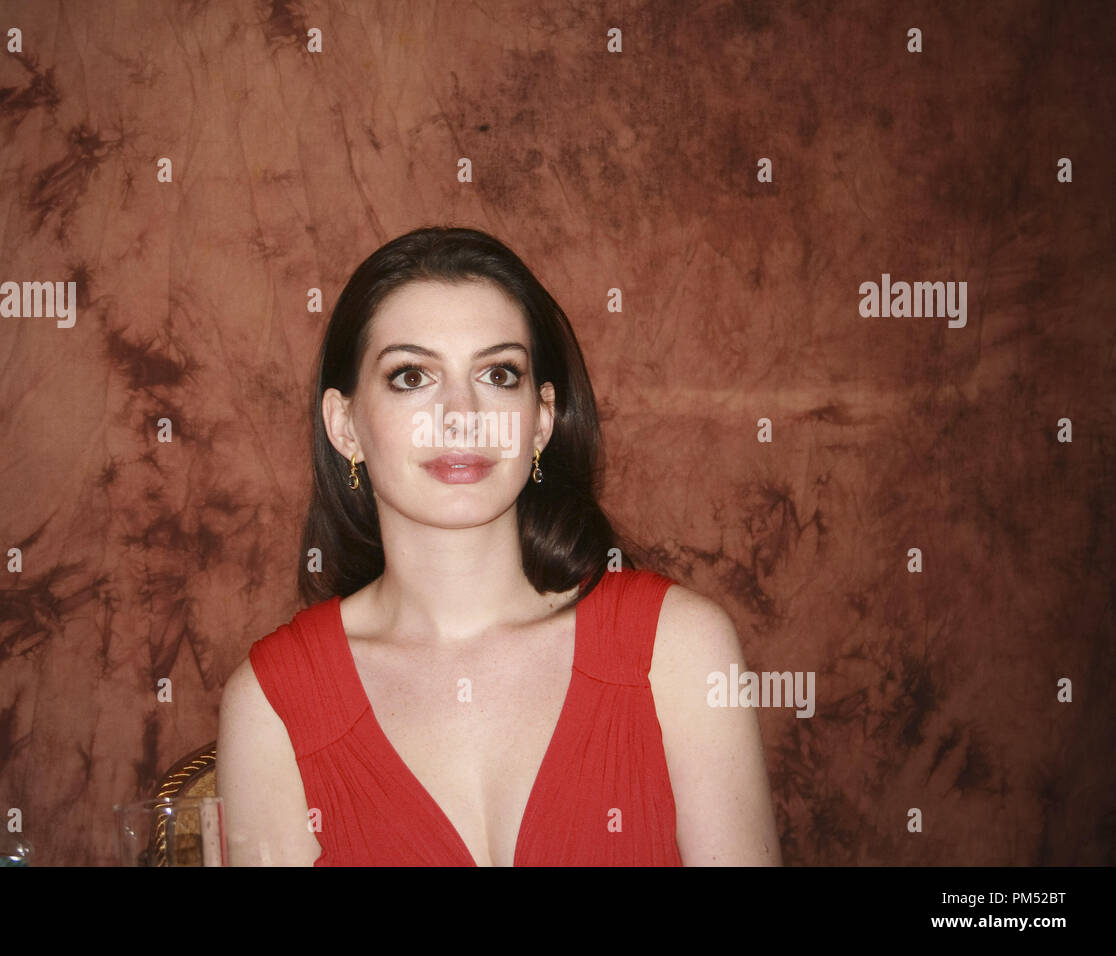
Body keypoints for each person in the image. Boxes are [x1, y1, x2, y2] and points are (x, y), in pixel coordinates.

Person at [217, 226, 781, 866]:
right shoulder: (273, 702)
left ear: (540, 419)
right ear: (345, 425)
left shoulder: (679, 650)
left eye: (497, 373)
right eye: (411, 376)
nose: (461, 414)